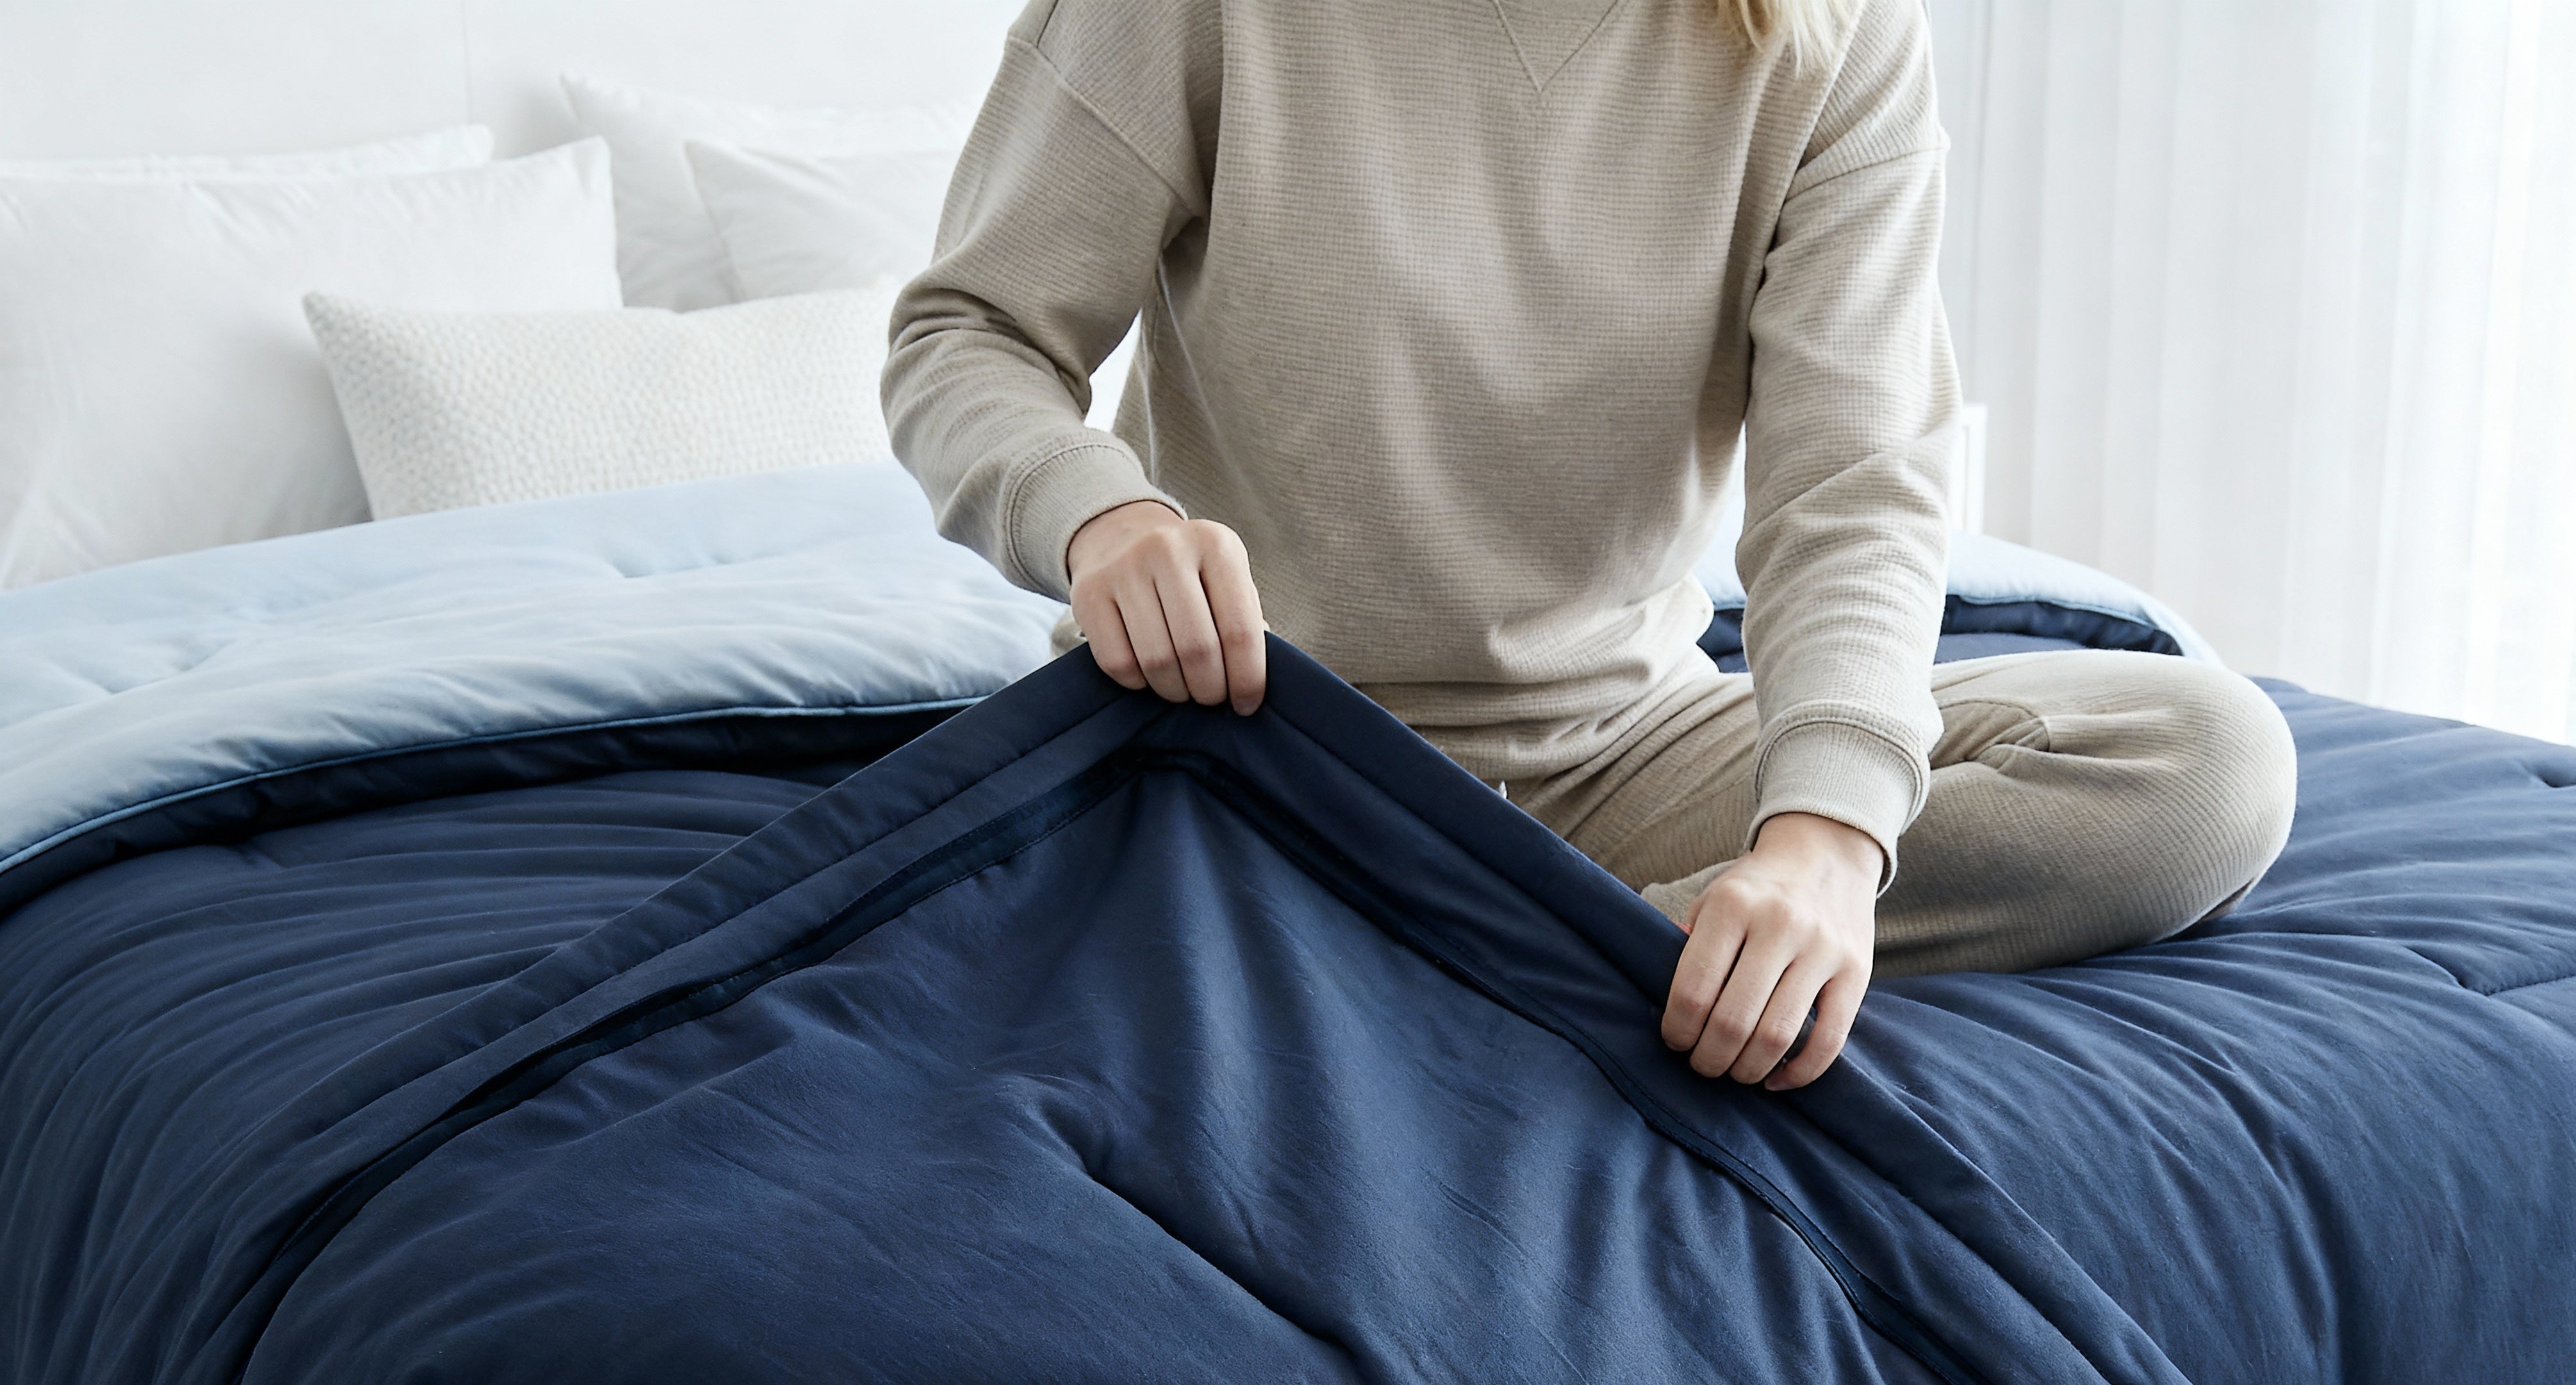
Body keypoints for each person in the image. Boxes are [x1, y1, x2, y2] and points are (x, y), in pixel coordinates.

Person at [884, 0, 2297, 1091]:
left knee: (2205, 766)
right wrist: (1100, 515)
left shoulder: (1834, 32)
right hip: (1250, 746)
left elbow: (1854, 483)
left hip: (1624, 749)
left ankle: (1436, 969)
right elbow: (969, 332)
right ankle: (1548, 969)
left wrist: (1821, 848)